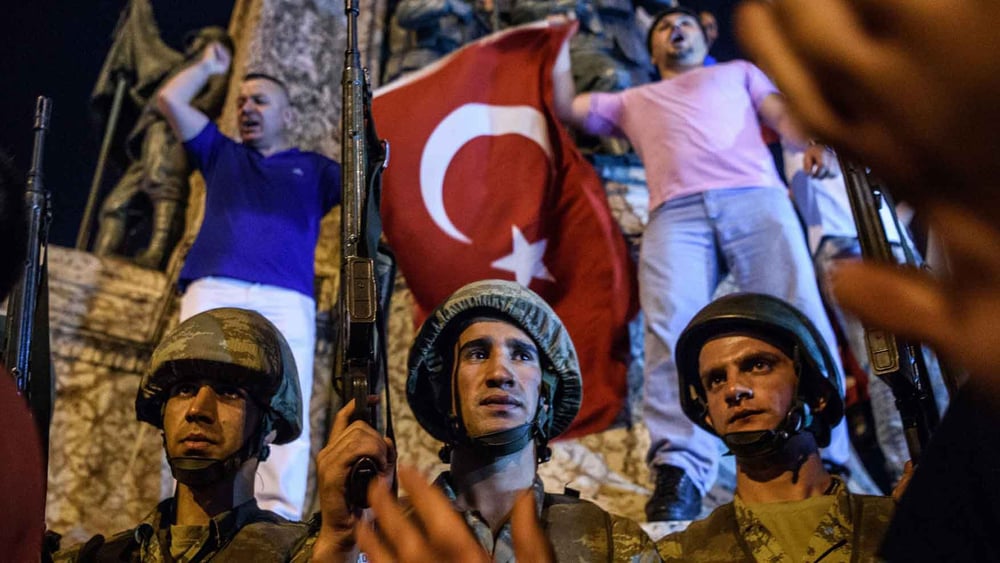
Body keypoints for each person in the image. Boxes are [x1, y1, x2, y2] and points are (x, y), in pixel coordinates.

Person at [553, 7, 848, 520]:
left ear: (705, 33)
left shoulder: (737, 73)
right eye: (664, 28)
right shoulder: (634, 98)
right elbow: (566, 106)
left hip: (754, 197)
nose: (676, 29)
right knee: (669, 325)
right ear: (652, 51)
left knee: (796, 313)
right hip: (677, 212)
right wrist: (556, 38)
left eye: (684, 23)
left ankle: (825, 448)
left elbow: (780, 114)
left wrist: (810, 138)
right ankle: (680, 471)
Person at [735, 1, 1000, 559]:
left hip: (898, 234)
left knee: (943, 364)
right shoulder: (784, 116)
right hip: (844, 249)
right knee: (892, 375)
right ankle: (910, 467)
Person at [304, 279, 659, 562]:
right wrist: (340, 541)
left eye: (521, 355)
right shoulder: (376, 539)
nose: (500, 373)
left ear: (546, 395)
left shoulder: (614, 545)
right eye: (477, 353)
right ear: (444, 392)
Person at [156, 39, 342, 519]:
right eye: (241, 101)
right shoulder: (222, 154)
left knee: (282, 400)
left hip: (286, 299)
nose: (247, 108)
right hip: (213, 287)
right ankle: (181, 511)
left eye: (260, 100)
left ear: (286, 115)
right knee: (187, 397)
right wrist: (206, 67)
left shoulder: (316, 169)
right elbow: (170, 101)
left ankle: (278, 518)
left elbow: (375, 182)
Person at [53, 307, 309, 561]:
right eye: (185, 390)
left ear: (269, 428)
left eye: (228, 392)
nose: (198, 410)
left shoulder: (304, 552)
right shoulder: (98, 558)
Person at [656, 292, 894, 561]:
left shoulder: (896, 527)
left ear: (817, 395)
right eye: (716, 380)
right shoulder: (679, 555)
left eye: (758, 365)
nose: (733, 389)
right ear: (708, 415)